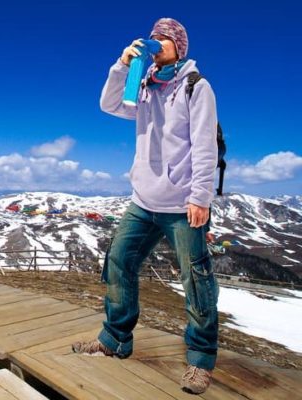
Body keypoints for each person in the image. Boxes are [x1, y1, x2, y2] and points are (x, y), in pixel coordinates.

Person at [71, 18, 219, 395]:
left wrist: (200, 197)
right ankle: (115, 339)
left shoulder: (195, 87)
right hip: (143, 199)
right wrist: (122, 65)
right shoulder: (145, 85)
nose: (158, 42)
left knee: (196, 278)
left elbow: (204, 146)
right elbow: (108, 105)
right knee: (119, 261)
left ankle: (200, 359)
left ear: (180, 47)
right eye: (154, 37)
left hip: (182, 203)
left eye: (166, 38)